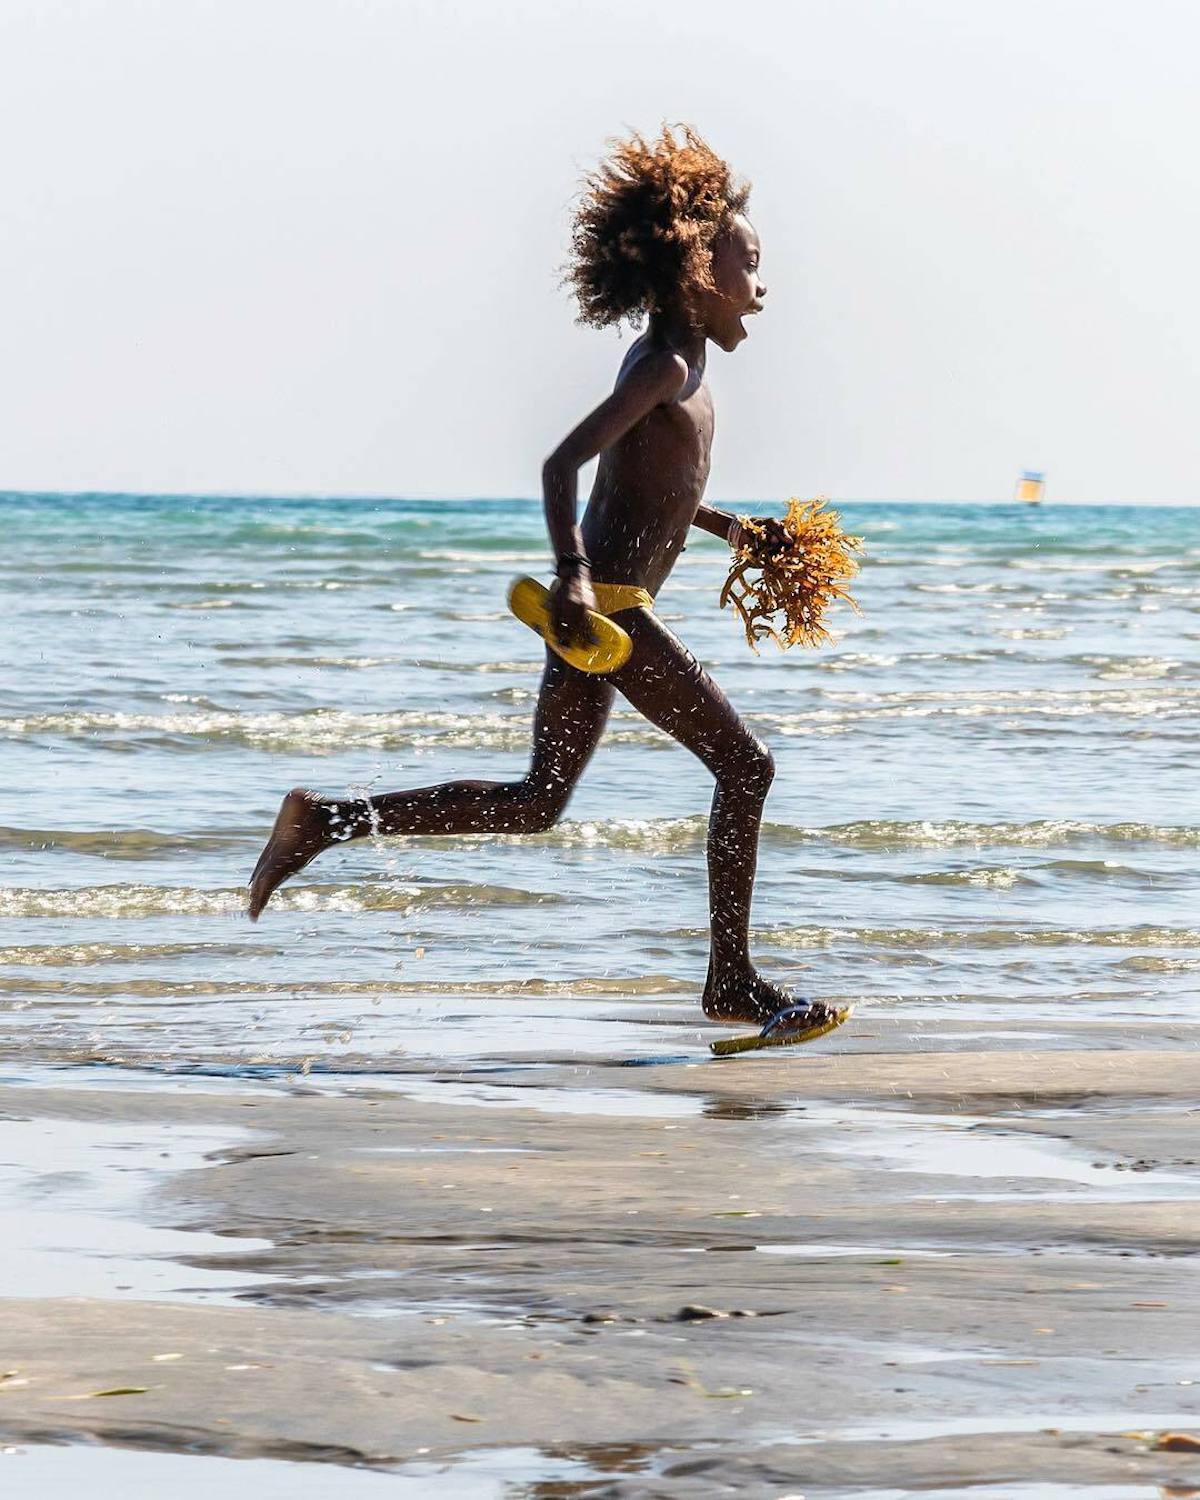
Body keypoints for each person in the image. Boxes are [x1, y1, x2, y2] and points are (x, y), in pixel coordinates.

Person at [248, 125, 838, 1037]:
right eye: (748, 265)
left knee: (537, 803)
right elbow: (563, 466)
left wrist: (732, 531)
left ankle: (324, 822)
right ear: (695, 269)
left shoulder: (687, 373)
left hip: (601, 618)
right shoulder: (663, 367)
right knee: (746, 768)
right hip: (608, 610)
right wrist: (570, 577)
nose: (763, 288)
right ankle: (732, 982)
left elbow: (646, 492)